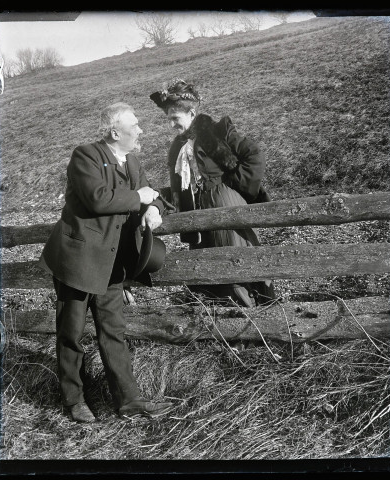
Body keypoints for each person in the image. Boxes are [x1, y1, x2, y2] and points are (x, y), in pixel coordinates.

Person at [38, 102, 173, 423]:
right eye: (135, 126)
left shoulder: (133, 162)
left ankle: (129, 401)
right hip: (79, 262)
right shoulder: (85, 155)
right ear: (115, 132)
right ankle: (73, 400)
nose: (141, 130)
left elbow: (153, 195)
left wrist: (154, 209)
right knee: (71, 333)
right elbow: (98, 198)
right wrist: (139, 198)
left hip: (112, 266)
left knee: (114, 332)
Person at [150, 78, 275, 307]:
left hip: (224, 205)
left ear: (192, 113)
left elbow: (254, 155)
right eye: (168, 119)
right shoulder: (177, 147)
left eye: (175, 118)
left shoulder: (217, 132)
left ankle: (250, 322)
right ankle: (221, 324)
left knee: (233, 259)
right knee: (206, 264)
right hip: (197, 212)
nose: (171, 125)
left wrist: (230, 184)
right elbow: (179, 188)